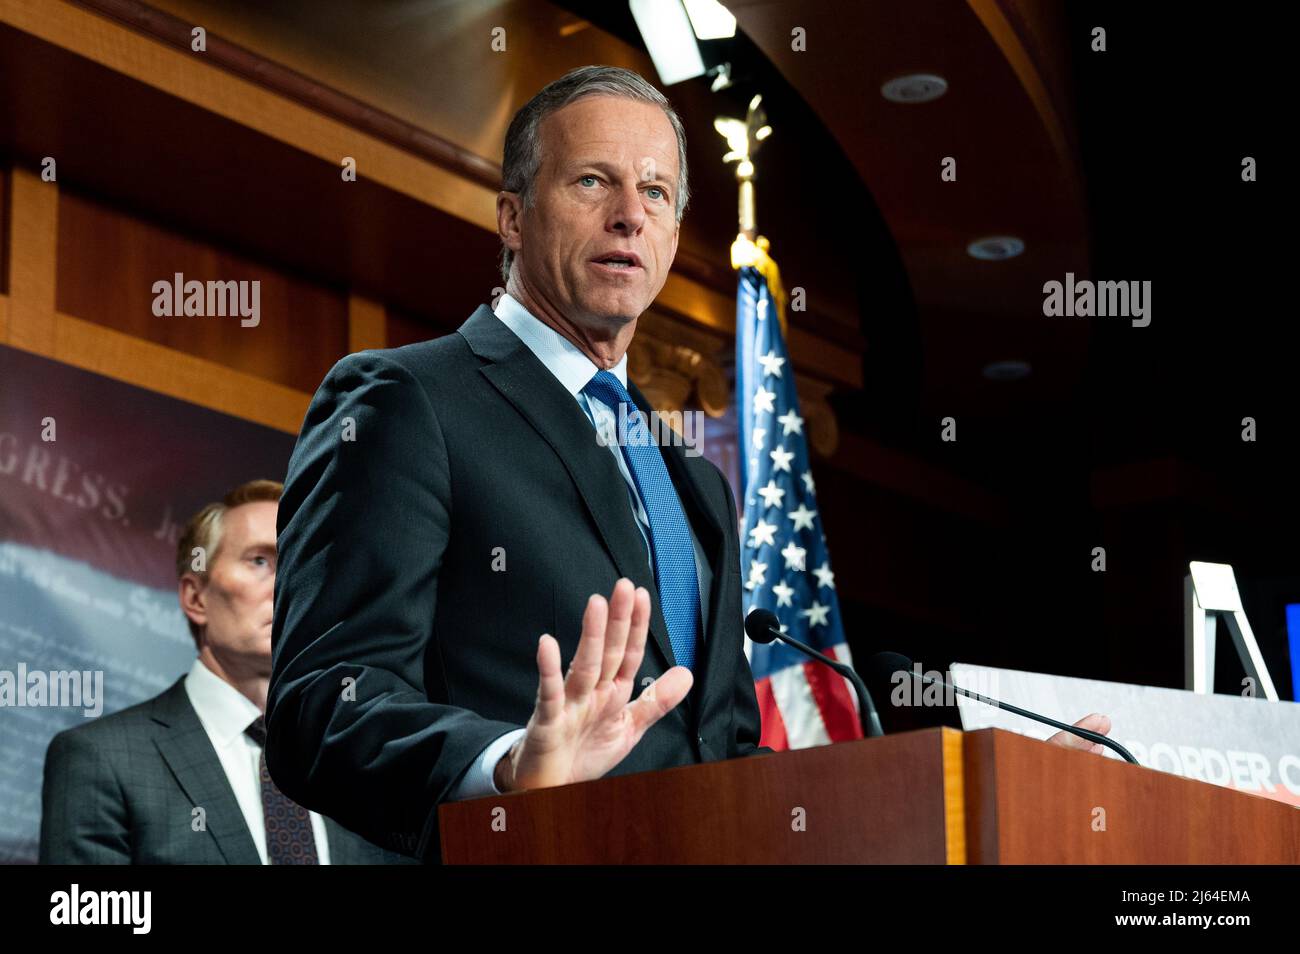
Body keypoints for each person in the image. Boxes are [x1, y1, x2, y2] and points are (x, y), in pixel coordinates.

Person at [267, 65, 1110, 862]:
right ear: (513, 218)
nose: (630, 214)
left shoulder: (694, 482)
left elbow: (721, 753)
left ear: (671, 234)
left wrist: (969, 770)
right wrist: (506, 765)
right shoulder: (409, 399)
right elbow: (320, 708)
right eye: (592, 181)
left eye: (656, 191)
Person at [40, 480, 413, 864]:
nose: (288, 586)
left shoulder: (365, 763)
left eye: (303, 562)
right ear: (196, 597)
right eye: (260, 561)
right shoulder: (102, 759)